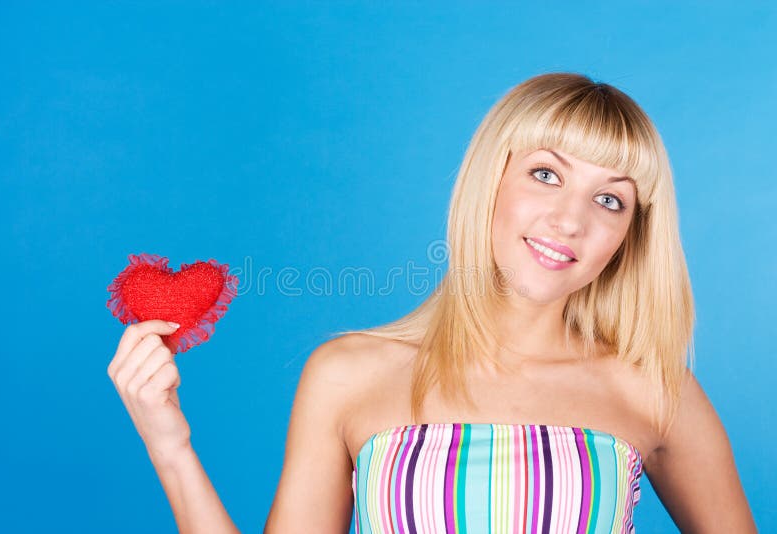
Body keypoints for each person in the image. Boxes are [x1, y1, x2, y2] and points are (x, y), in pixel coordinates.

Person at [107, 73, 757, 533]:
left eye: (610, 199)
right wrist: (171, 447)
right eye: (545, 174)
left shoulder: (653, 392)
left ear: (628, 236)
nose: (570, 220)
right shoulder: (348, 373)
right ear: (490, 180)